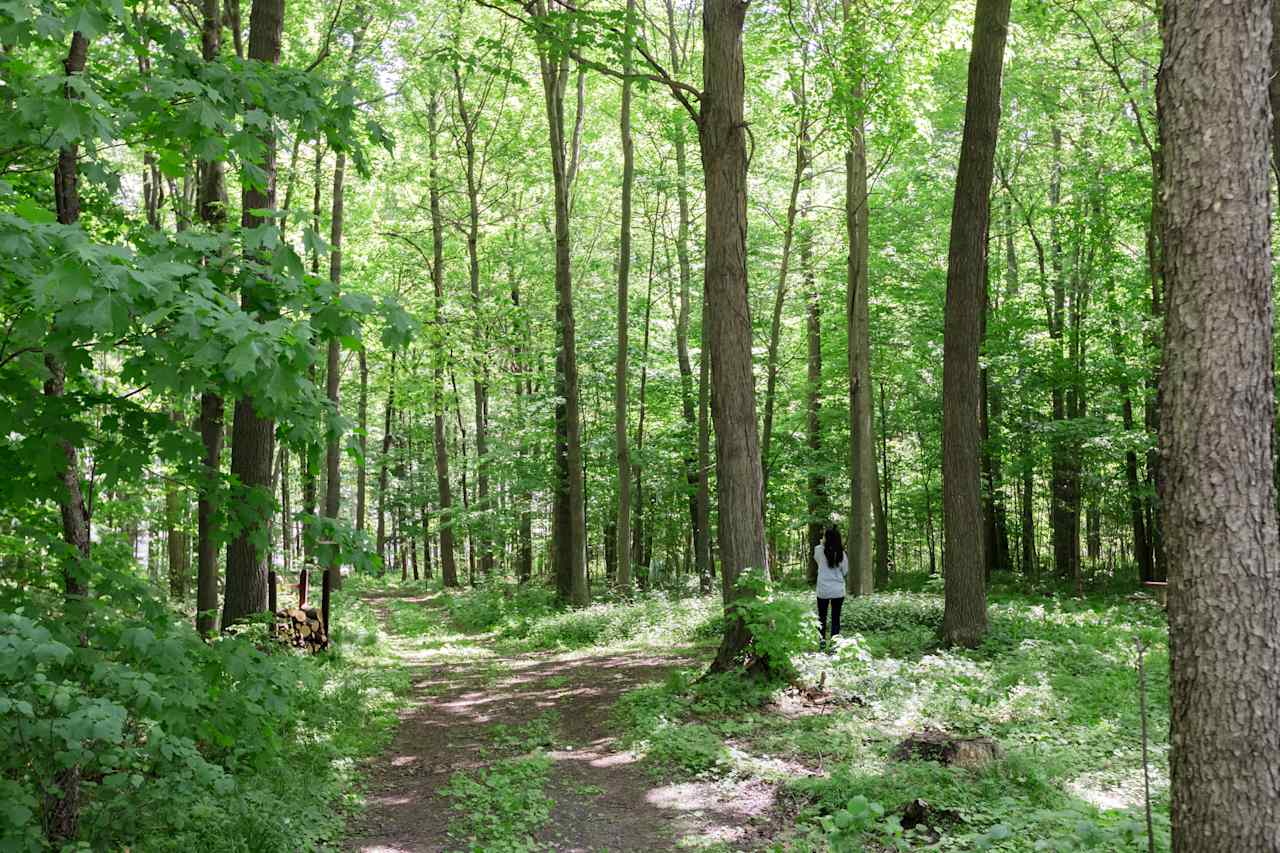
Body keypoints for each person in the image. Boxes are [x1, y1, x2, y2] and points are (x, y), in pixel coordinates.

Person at [814, 527, 848, 650]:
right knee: (836, 618)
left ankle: (822, 642)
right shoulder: (842, 554)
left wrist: (822, 543)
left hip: (823, 590)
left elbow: (817, 560)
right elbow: (845, 571)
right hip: (838, 591)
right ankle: (834, 645)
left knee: (821, 617)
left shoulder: (818, 550)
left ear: (826, 538)